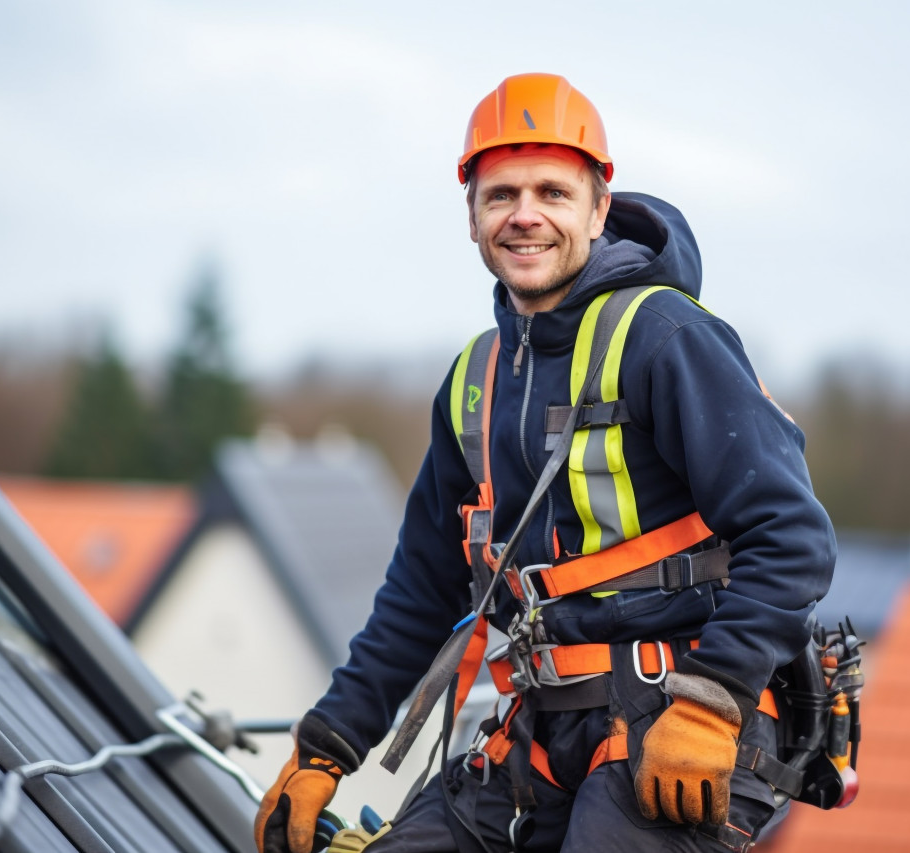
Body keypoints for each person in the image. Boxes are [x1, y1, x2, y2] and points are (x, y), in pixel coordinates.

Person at [255, 73, 836, 853]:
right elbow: (421, 588)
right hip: (543, 730)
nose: (524, 215)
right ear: (471, 218)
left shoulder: (665, 337)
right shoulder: (475, 381)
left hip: (684, 724)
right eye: (501, 196)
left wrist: (711, 698)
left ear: (598, 209)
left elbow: (793, 535)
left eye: (552, 193)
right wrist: (329, 742)